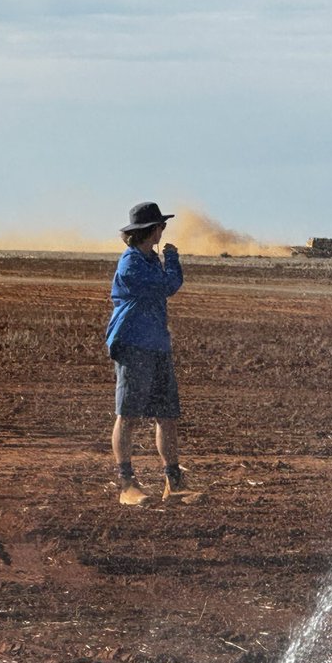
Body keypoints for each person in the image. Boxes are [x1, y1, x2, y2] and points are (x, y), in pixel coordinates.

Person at [106, 201, 200, 506]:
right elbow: (169, 286)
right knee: (129, 415)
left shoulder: (146, 260)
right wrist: (172, 257)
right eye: (161, 226)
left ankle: (173, 482)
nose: (164, 230)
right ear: (152, 231)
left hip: (156, 345)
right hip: (134, 345)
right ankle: (126, 485)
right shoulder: (131, 264)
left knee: (166, 416)